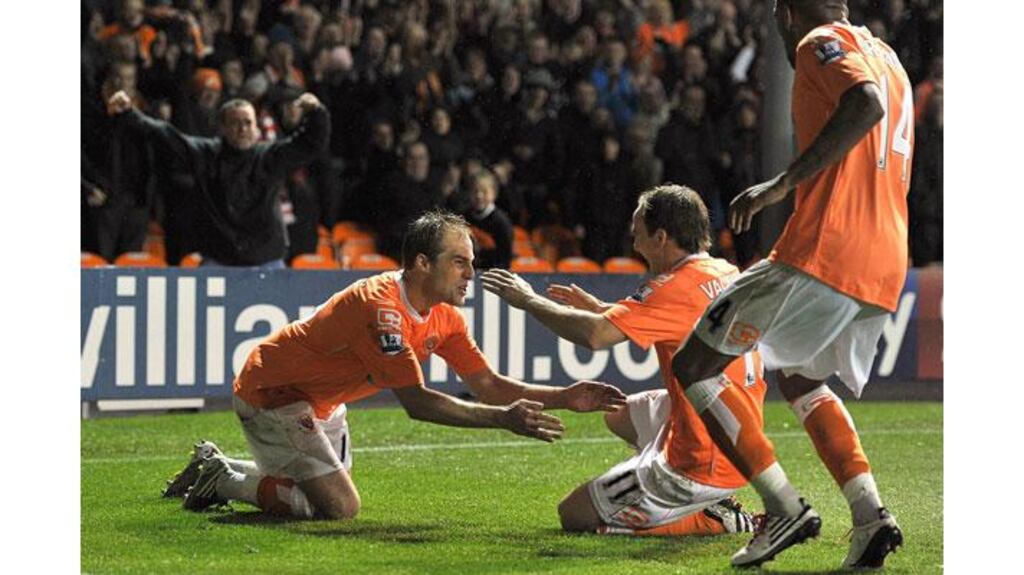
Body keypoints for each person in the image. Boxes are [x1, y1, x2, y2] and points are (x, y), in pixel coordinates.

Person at [164, 211, 627, 520]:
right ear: (423, 264)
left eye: (472, 263)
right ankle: (221, 478)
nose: (471, 273)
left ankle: (213, 465)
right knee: (338, 508)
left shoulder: (443, 315)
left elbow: (486, 383)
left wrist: (565, 397)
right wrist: (502, 420)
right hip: (274, 392)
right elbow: (418, 403)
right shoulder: (381, 308)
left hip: (322, 404)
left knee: (308, 495)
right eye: (460, 262)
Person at [668, 0, 912, 568]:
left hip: (826, 250)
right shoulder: (890, 55)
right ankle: (870, 514)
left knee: (694, 365)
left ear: (785, 13)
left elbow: (864, 105)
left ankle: (781, 508)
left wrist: (782, 183)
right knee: (802, 379)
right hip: (884, 257)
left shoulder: (818, 41)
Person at [480, 185, 764, 538]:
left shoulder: (675, 288)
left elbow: (595, 337)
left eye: (639, 234)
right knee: (618, 413)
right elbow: (676, 318)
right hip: (738, 434)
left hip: (704, 459)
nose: (634, 245)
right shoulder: (723, 271)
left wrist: (528, 300)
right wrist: (602, 310)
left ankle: (713, 517)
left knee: (575, 515)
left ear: (661, 237)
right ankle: (690, 493)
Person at [105, 89, 330, 268]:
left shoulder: (270, 156)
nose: (242, 129)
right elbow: (165, 136)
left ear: (256, 128)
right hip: (218, 261)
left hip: (267, 262)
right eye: (235, 123)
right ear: (222, 128)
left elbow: (310, 144)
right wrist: (129, 114)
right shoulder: (206, 154)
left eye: (248, 123)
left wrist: (317, 113)